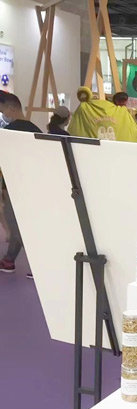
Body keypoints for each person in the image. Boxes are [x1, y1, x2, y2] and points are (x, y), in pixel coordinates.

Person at [0, 91, 42, 277]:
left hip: (14, 185)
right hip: (34, 185)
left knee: (17, 227)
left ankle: (39, 265)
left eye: (2, 110)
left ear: (11, 108)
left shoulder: (9, 133)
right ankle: (9, 260)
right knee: (22, 224)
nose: (3, 115)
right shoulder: (36, 130)